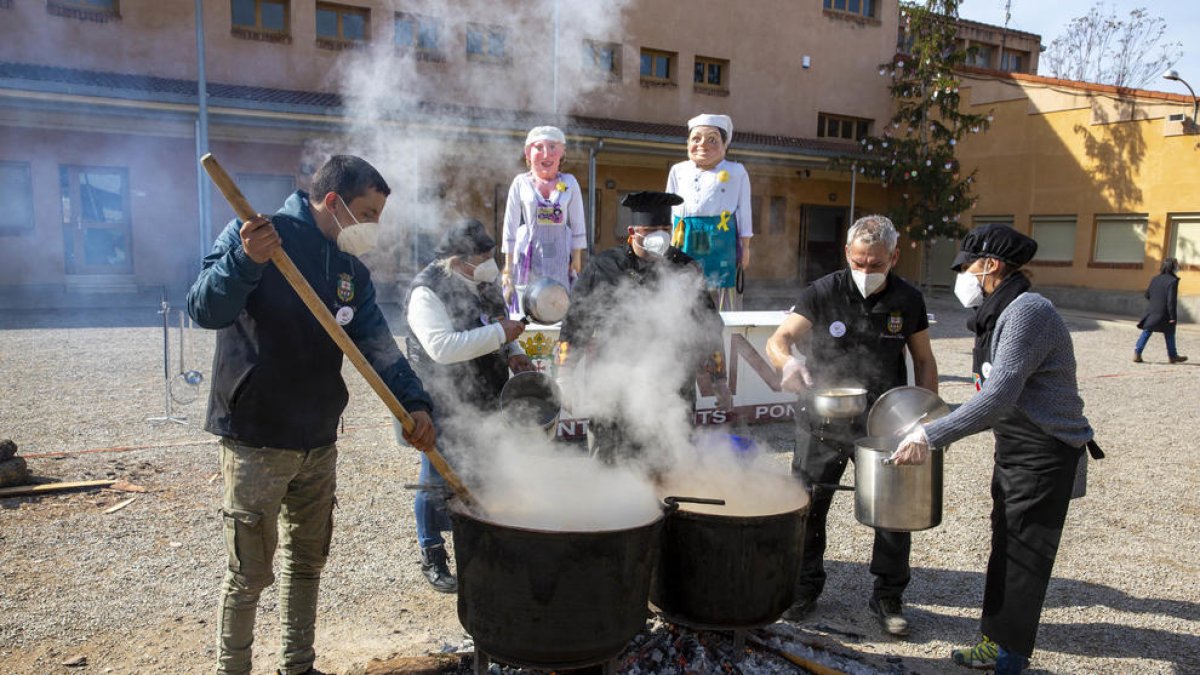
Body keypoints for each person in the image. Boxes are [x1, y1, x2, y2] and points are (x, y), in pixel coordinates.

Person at [187, 155, 437, 675]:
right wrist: (244, 261)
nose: (373, 227)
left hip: (318, 437)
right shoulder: (257, 233)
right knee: (249, 572)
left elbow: (377, 346)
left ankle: (297, 666)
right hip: (257, 433)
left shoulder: (350, 269)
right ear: (333, 202)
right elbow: (204, 309)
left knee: (307, 562)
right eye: (368, 213)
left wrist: (414, 402)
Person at [891, 223, 1104, 674]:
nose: (962, 274)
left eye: (966, 264)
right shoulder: (996, 311)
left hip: (1045, 450)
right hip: (1015, 446)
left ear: (991, 265)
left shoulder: (1029, 312)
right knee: (1005, 545)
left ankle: (1011, 658)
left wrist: (930, 436)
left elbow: (999, 394)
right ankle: (993, 642)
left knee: (1026, 554)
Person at [764, 215, 938, 637]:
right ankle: (803, 589)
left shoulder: (907, 299)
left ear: (894, 257)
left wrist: (925, 417)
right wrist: (788, 363)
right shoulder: (823, 292)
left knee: (892, 511)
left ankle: (888, 595)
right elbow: (779, 339)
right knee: (806, 506)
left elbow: (924, 360)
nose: (865, 272)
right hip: (821, 420)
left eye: (875, 264)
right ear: (847, 254)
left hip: (883, 422)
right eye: (858, 262)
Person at [402, 218, 535, 592]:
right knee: (436, 479)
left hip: (486, 392)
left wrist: (515, 351)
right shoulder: (427, 290)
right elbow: (441, 348)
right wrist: (499, 335)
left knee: (484, 473)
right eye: (483, 257)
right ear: (459, 260)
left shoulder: (486, 283)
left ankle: (480, 546)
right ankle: (433, 552)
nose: (490, 264)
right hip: (440, 397)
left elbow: (500, 323)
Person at [555, 190, 732, 465]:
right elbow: (576, 323)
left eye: (665, 229)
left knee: (669, 463)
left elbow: (708, 325)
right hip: (613, 382)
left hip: (672, 385)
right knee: (609, 464)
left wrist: (719, 379)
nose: (660, 236)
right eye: (651, 230)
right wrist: (564, 376)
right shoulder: (603, 266)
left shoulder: (686, 267)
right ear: (632, 231)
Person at [665, 113, 753, 311]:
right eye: (696, 139)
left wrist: (745, 247)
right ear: (687, 143)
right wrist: (669, 242)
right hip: (684, 235)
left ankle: (724, 331)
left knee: (720, 286)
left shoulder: (737, 171)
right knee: (684, 282)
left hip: (721, 237)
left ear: (725, 145)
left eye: (712, 139)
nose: (703, 144)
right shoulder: (678, 170)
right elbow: (668, 207)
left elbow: (744, 211)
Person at [501, 125, 588, 313]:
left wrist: (577, 258)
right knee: (529, 305)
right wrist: (507, 268)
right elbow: (510, 226)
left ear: (562, 153)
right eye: (539, 147)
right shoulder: (520, 183)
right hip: (528, 256)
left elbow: (578, 222)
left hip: (559, 254)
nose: (546, 154)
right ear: (527, 153)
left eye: (553, 147)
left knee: (557, 302)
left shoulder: (570, 182)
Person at [1133, 257, 1187, 364]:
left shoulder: (1155, 278)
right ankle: (1172, 356)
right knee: (1170, 332)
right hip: (1165, 312)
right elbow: (1171, 300)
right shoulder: (1173, 280)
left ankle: (1137, 353)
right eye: (1176, 265)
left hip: (1152, 311)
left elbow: (1147, 294)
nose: (1177, 267)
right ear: (1172, 267)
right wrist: (1172, 317)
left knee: (1147, 330)